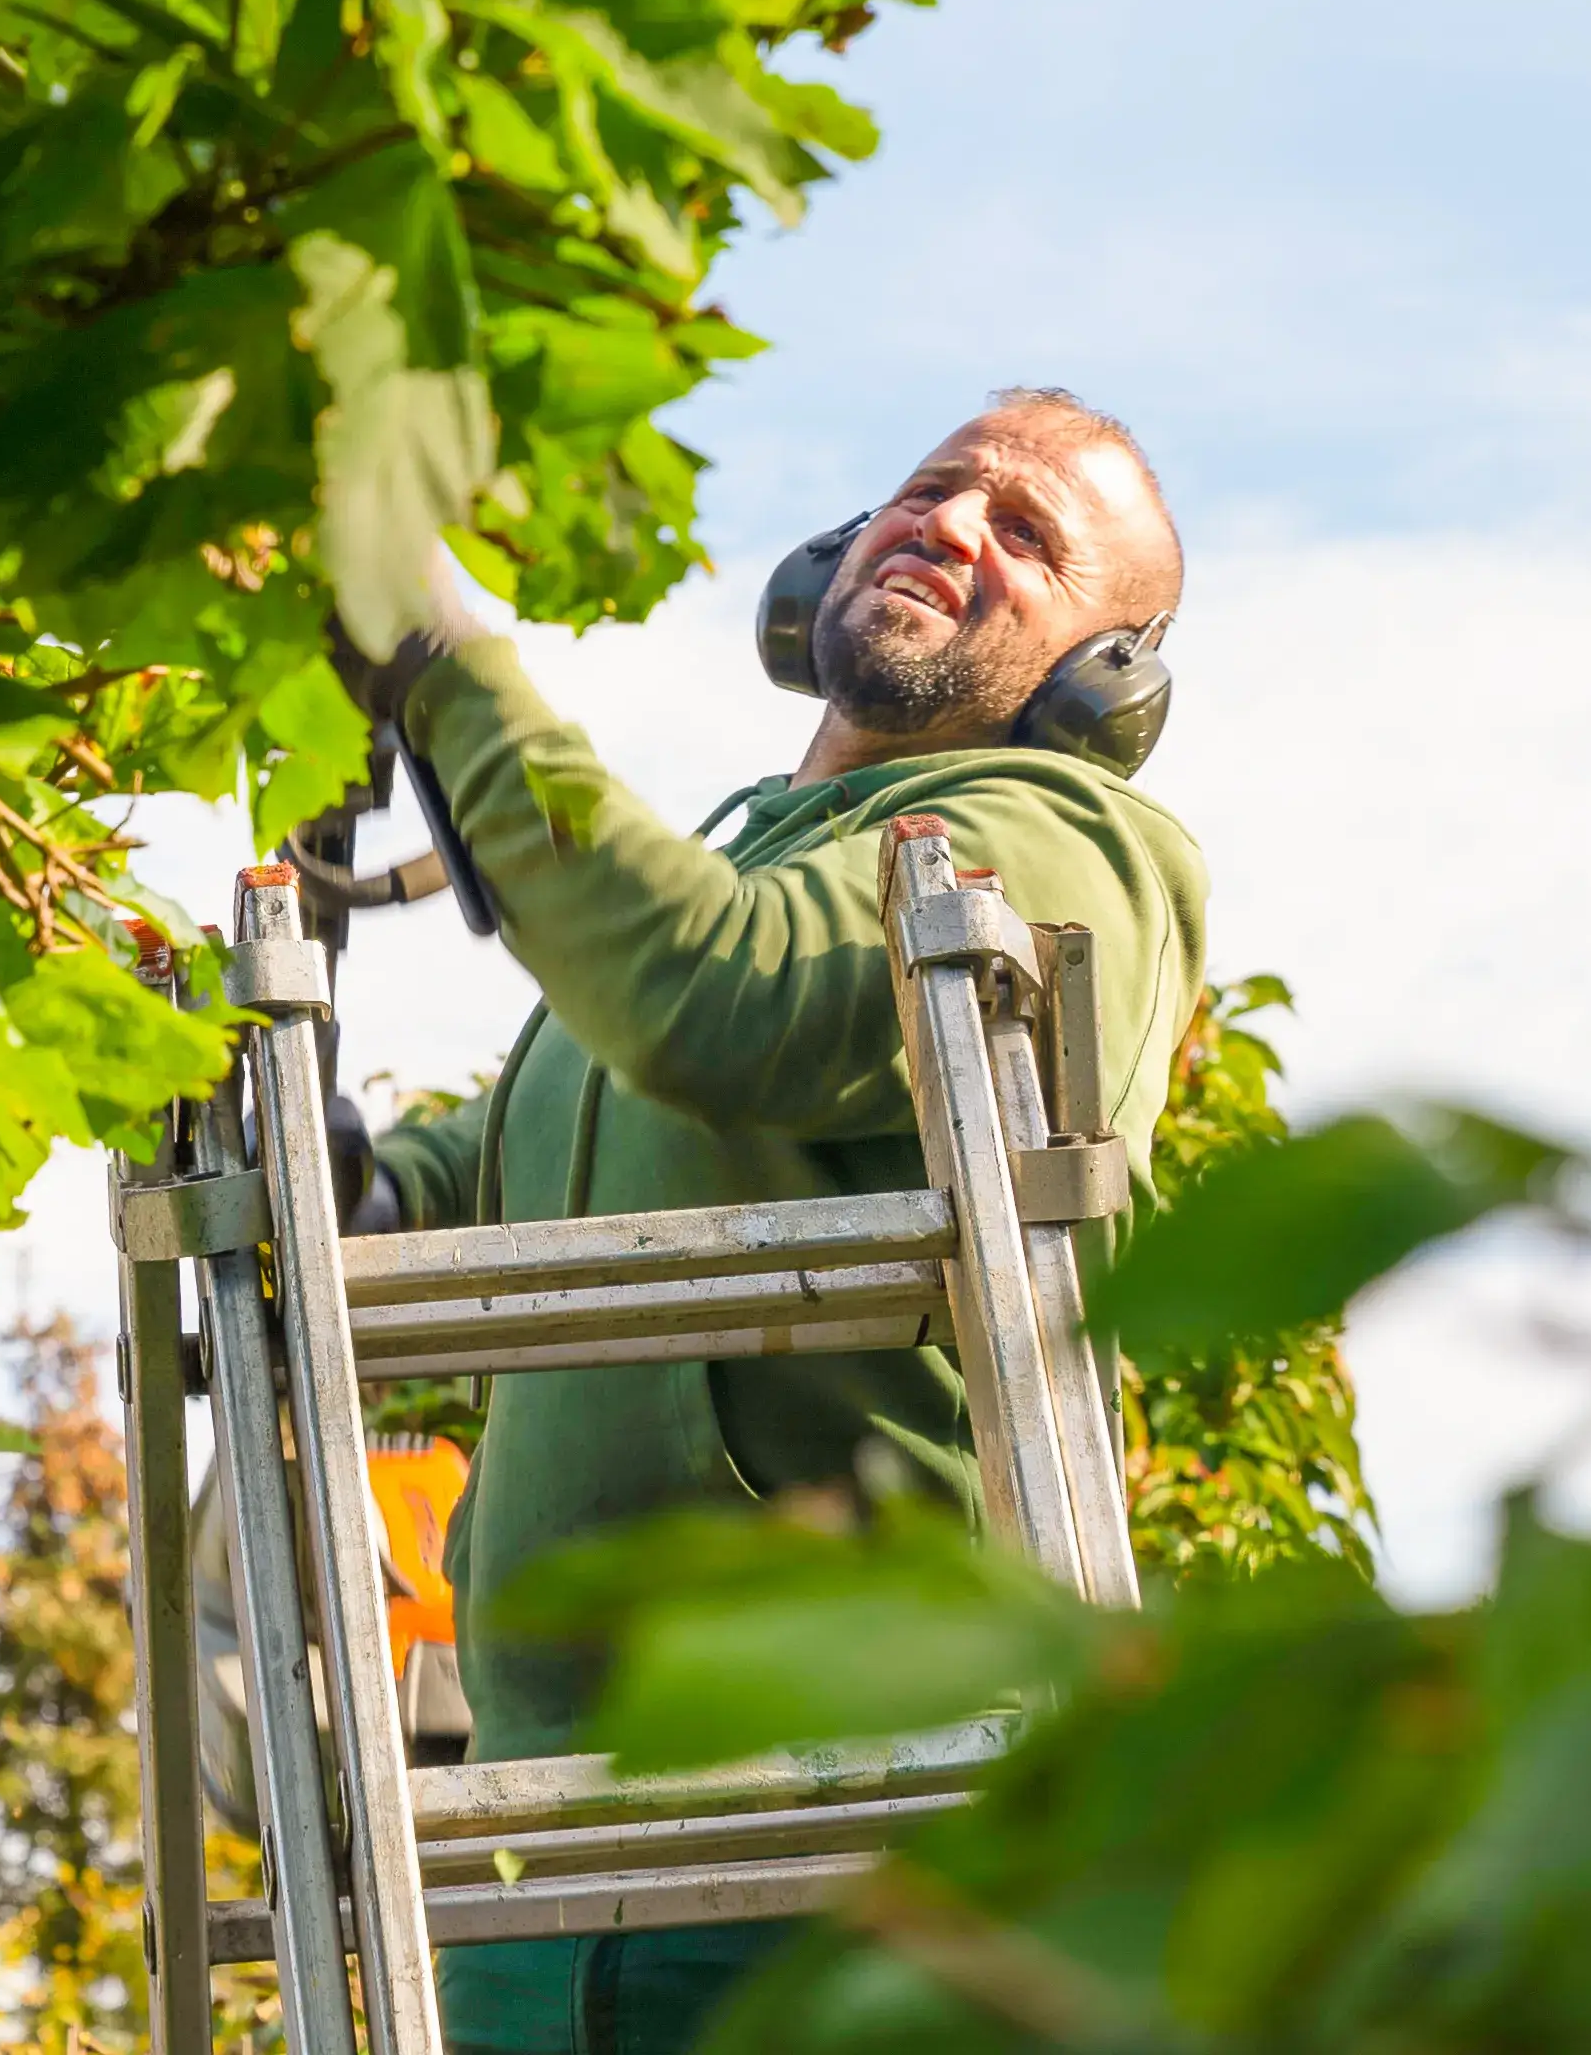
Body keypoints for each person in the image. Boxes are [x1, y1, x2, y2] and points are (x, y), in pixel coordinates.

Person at [348, 387, 1210, 2055]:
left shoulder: (1065, 846)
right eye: (934, 490)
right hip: (553, 1853)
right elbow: (502, 1158)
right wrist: (355, 1181)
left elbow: (716, 996)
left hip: (869, 1837)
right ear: (823, 567)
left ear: (1104, 680)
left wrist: (442, 655)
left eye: (1027, 535)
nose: (954, 523)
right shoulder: (753, 855)